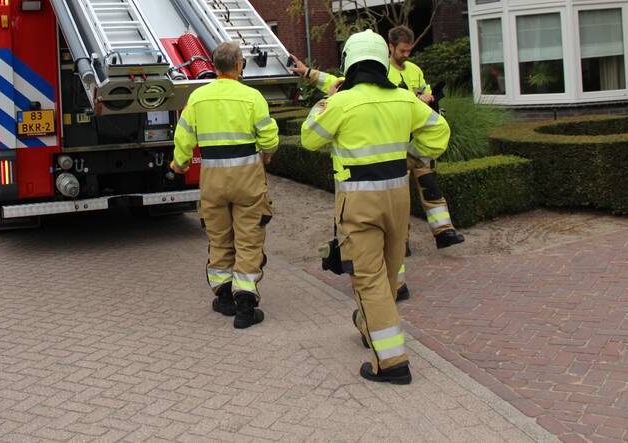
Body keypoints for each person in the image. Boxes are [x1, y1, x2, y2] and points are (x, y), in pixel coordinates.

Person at [300, 30, 449, 385]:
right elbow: (439, 132)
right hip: (397, 198)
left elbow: (309, 138)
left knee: (368, 279)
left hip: (358, 202)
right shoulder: (404, 99)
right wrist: (412, 156)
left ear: (350, 61)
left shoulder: (341, 102)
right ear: (383, 60)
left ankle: (391, 362)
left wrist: (329, 100)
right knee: (389, 272)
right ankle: (371, 324)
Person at [171, 41, 278, 329]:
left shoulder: (197, 98)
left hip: (213, 182)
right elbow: (269, 138)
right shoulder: (253, 97)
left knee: (219, 239)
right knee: (248, 239)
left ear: (214, 66)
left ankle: (224, 298)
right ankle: (246, 306)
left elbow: (183, 138)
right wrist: (266, 155)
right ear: (239, 65)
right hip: (248, 181)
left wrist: (179, 163)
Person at [387, 25, 465, 253]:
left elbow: (425, 89)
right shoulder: (383, 72)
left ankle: (444, 232)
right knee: (400, 198)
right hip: (398, 144)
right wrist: (415, 99)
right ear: (390, 47)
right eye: (402, 50)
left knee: (431, 188)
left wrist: (429, 96)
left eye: (409, 50)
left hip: (418, 144)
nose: (406, 55)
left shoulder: (414, 70)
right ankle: (402, 242)